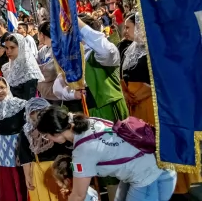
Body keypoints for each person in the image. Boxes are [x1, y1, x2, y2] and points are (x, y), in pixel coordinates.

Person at [120, 14, 200, 196]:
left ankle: (177, 187)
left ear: (140, 27)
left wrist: (140, 94)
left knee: (161, 145)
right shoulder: (129, 49)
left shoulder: (158, 47)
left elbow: (164, 79)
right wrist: (127, 93)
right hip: (135, 107)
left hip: (154, 107)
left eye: (128, 27)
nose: (125, 31)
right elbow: (124, 76)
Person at [37, 106, 177, 201]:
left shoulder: (83, 151)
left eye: (45, 135)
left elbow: (78, 195)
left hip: (148, 176)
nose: (47, 139)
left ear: (55, 132)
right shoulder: (89, 122)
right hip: (158, 164)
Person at [18, 98, 71, 201]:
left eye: (40, 113)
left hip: (59, 168)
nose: (37, 116)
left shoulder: (54, 126)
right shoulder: (26, 131)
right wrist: (27, 176)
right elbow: (24, 155)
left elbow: (66, 148)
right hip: (38, 170)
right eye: (33, 114)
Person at [2, 34, 44, 100]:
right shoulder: (9, 67)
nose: (8, 51)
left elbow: (29, 100)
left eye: (12, 48)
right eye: (6, 48)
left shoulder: (29, 70)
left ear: (21, 47)